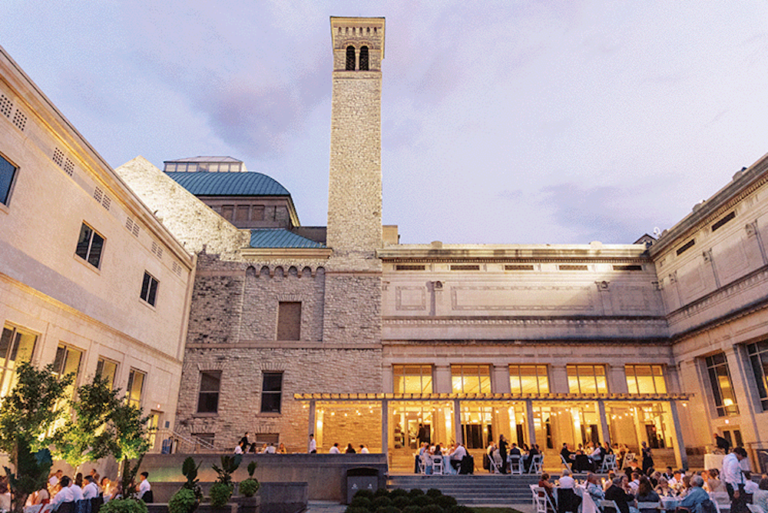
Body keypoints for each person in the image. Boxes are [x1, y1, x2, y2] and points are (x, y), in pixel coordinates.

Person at [723, 447, 748, 513]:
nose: (742, 459)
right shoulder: (734, 461)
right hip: (736, 484)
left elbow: (723, 472)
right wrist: (736, 489)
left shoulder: (726, 458)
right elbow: (731, 474)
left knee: (735, 504)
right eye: (742, 457)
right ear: (739, 454)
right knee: (739, 504)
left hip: (729, 483)